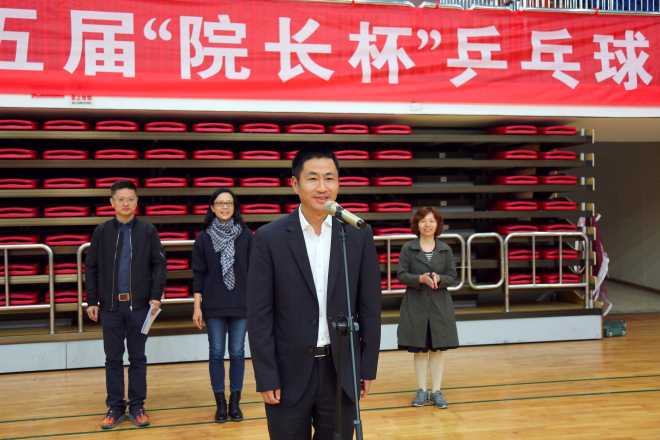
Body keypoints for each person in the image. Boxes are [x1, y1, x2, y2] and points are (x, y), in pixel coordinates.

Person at [247, 146, 382, 440]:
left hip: (340, 370)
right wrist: (266, 374)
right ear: (295, 184)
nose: (322, 187)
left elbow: (370, 306)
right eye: (312, 178)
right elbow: (259, 315)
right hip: (287, 372)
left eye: (329, 178)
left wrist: (366, 366)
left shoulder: (357, 234)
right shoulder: (269, 238)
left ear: (339, 183)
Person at [85, 180, 167, 429]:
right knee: (112, 358)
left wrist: (156, 296)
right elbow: (91, 268)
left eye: (130, 199)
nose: (126, 203)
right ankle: (115, 407)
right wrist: (92, 300)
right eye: (120, 199)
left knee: (138, 357)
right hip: (110, 308)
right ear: (112, 202)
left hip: (139, 307)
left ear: (136, 202)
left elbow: (159, 265)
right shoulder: (101, 231)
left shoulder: (148, 230)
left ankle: (137, 406)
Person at [192, 188, 252, 423]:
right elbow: (198, 274)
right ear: (212, 207)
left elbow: (254, 271)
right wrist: (197, 307)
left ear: (235, 207)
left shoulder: (246, 236)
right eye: (220, 203)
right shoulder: (203, 238)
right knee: (216, 353)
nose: (225, 207)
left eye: (229, 203)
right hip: (214, 304)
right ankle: (220, 404)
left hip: (241, 303)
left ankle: (235, 403)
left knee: (237, 352)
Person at [396, 207, 459, 409]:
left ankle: (437, 391)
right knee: (421, 350)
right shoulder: (408, 248)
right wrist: (419, 279)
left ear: (437, 224)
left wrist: (440, 279)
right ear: (417, 224)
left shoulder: (445, 249)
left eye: (431, 221)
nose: (427, 224)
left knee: (438, 350)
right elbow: (401, 274)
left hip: (440, 305)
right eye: (423, 221)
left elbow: (452, 276)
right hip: (416, 305)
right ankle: (422, 390)